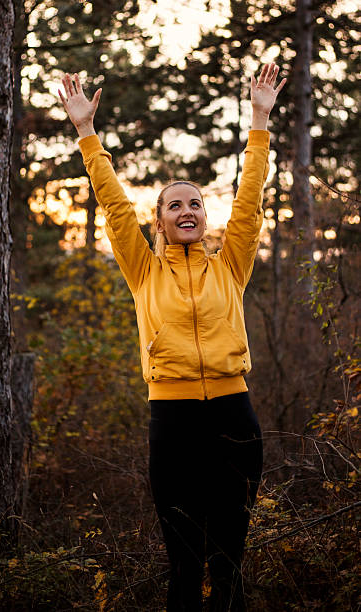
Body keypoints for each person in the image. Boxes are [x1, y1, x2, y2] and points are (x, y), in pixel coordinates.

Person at [59, 61, 286, 611]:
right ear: (159, 221)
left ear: (206, 217)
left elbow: (251, 199)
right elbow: (114, 205)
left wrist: (259, 120)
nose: (186, 210)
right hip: (174, 423)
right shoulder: (143, 271)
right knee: (183, 563)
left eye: (194, 203)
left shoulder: (230, 264)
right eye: (174, 205)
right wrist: (86, 133)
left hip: (235, 416)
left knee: (229, 561)